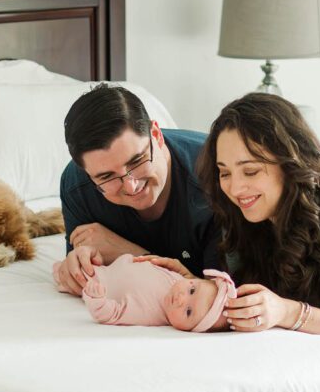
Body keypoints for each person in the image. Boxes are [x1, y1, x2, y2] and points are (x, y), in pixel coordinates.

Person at [143, 93, 320, 336]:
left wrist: (288, 312)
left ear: (290, 164)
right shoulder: (241, 214)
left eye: (251, 171)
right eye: (225, 173)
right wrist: (198, 286)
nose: (235, 188)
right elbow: (256, 302)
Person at [55, 84, 219, 296]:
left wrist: (128, 255)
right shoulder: (77, 187)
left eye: (137, 161)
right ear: (88, 174)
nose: (131, 186)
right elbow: (87, 278)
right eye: (107, 177)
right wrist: (75, 270)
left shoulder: (218, 177)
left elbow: (219, 300)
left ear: (156, 135)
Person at [53, 253, 235, 331]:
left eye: (188, 311)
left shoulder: (149, 314)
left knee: (64, 274)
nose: (181, 298)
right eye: (192, 289)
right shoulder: (180, 280)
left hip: (96, 278)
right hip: (109, 263)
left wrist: (97, 299)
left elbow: (112, 314)